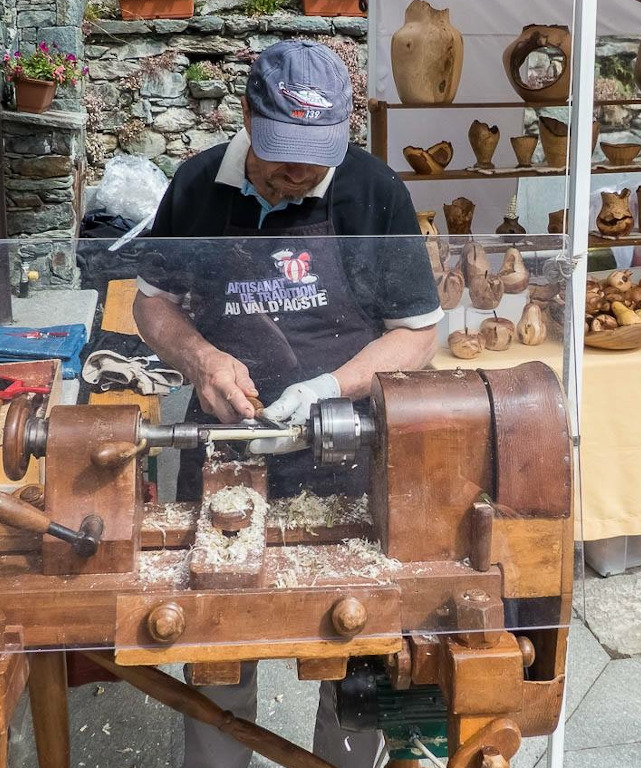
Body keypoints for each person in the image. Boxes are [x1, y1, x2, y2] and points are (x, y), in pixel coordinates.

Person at [132, 40, 441, 768]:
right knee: (216, 648)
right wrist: (199, 358)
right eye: (282, 156)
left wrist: (327, 388)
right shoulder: (198, 184)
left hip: (345, 450)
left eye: (315, 156)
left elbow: (417, 335)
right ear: (246, 116)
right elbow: (152, 308)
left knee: (355, 653)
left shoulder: (371, 191)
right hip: (222, 452)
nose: (299, 173)